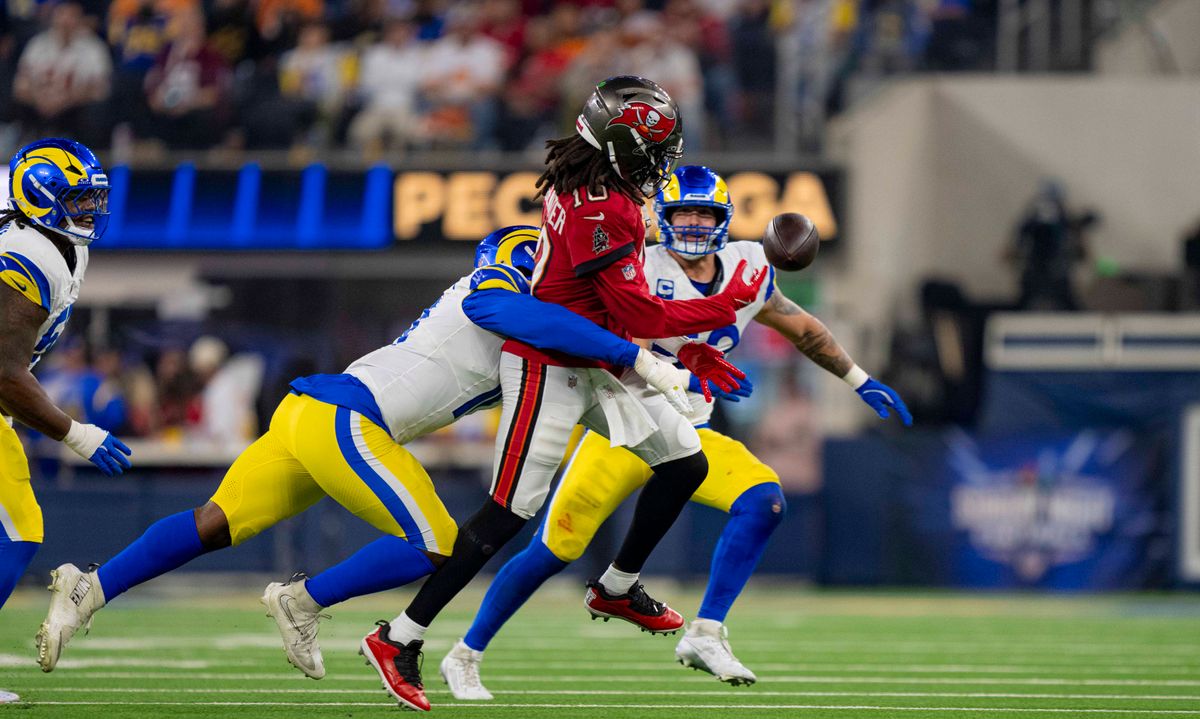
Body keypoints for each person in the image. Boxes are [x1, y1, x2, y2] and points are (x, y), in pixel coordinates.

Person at [35, 226, 732, 681]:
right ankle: (303, 599)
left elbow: (595, 347)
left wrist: (685, 354)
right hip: (348, 418)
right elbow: (503, 310)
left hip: (317, 412)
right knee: (435, 544)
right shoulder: (509, 285)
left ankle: (88, 587)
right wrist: (627, 349)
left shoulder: (562, 310)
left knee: (214, 521)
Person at [358, 76, 766, 712]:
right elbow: (643, 313)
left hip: (597, 360)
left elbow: (623, 313)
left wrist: (685, 348)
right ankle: (399, 637)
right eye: (655, 147)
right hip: (549, 369)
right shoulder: (605, 208)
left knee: (686, 461)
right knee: (506, 515)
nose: (664, 159)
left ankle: (616, 585)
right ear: (621, 148)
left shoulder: (593, 183)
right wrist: (723, 306)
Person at [440, 165, 912, 698]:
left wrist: (858, 377)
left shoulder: (750, 266)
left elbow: (800, 326)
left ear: (724, 219)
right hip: (619, 423)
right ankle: (465, 653)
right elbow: (614, 321)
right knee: (554, 552)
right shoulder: (635, 260)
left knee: (764, 502)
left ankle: (706, 632)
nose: (691, 223)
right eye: (682, 212)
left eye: (702, 213)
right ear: (660, 218)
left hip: (687, 429)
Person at [0, 139, 132, 704]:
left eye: (92, 200)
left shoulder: (51, 242)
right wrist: (75, 433)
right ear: (39, 198)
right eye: (77, 200)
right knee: (17, 530)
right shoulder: (31, 254)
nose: (90, 211)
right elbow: (3, 371)